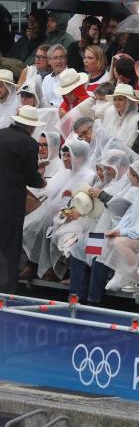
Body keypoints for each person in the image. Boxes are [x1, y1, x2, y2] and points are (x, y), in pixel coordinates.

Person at [0, 106, 46, 293]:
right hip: (10, 204)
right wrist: (41, 180)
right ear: (31, 127)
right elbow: (30, 177)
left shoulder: (1, 134)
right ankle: (6, 292)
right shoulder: (29, 144)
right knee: (10, 249)